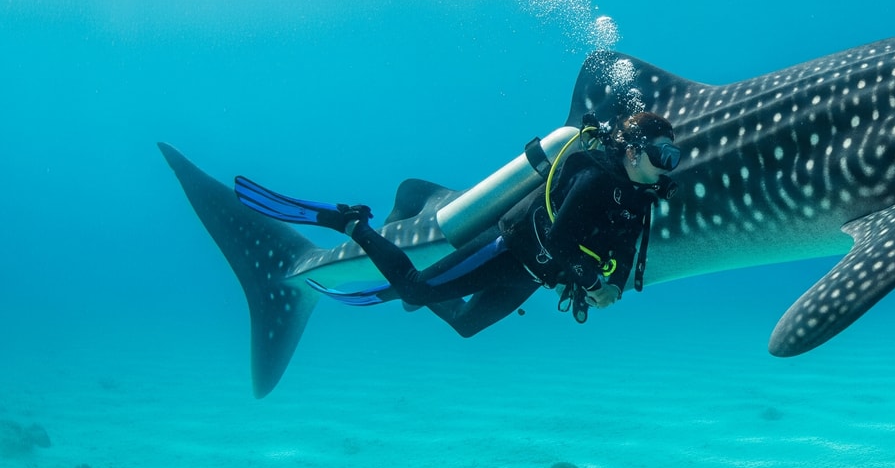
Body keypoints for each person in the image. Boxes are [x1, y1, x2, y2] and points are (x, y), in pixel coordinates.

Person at [234, 111, 680, 336]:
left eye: (673, 158)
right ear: (632, 150)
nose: (669, 167)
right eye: (663, 155)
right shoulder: (594, 175)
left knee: (466, 326)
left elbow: (625, 246)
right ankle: (353, 225)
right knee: (414, 290)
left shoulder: (641, 196)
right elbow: (562, 239)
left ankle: (418, 287)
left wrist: (615, 284)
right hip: (509, 249)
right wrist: (590, 283)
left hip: (536, 275)